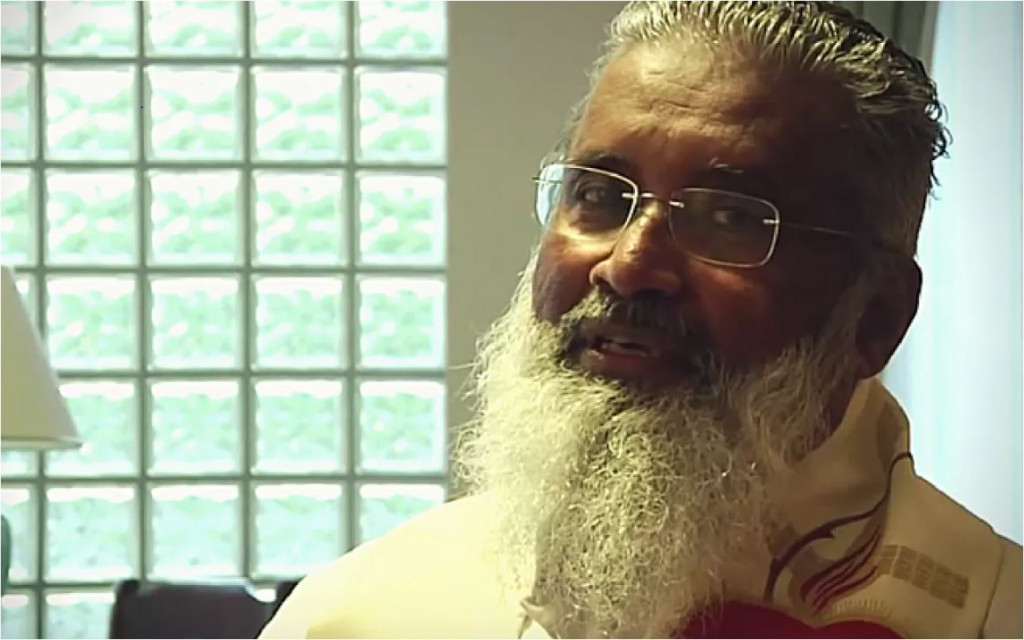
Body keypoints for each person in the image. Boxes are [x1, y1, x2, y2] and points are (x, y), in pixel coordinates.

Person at [261, 2, 1021, 637]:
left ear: (876, 317)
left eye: (730, 217)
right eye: (597, 196)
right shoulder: (357, 615)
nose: (628, 266)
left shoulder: (995, 614)